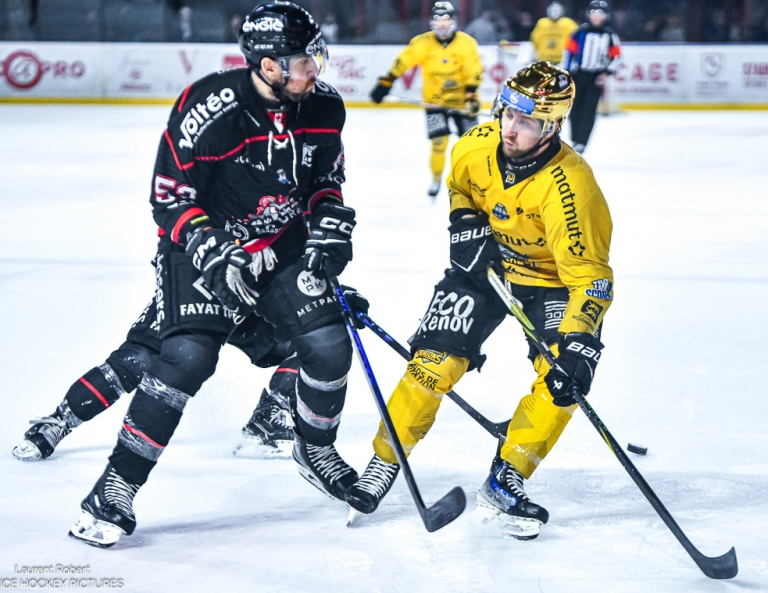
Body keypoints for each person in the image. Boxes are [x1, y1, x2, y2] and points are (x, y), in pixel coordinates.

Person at [65, 2, 361, 548]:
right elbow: (170, 198)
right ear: (268, 65)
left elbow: (324, 182)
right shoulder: (208, 107)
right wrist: (216, 251)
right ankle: (112, 490)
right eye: (302, 61)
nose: (313, 69)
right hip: (203, 246)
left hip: (279, 242)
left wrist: (329, 227)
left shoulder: (324, 107)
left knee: (328, 344)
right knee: (186, 359)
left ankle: (314, 447)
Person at [345, 62, 614, 541]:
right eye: (508, 113)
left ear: (551, 126)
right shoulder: (473, 144)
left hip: (552, 283)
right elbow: (461, 188)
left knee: (561, 379)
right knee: (431, 364)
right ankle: (385, 462)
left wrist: (579, 338)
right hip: (482, 271)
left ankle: (508, 474)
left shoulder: (573, 188)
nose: (510, 128)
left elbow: (589, 277)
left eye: (526, 122)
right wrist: (463, 221)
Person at [11, 284, 370, 462]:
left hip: (256, 299)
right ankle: (59, 421)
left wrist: (331, 296)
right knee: (136, 360)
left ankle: (267, 422)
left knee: (315, 340)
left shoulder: (280, 170)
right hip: (198, 290)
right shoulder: (222, 167)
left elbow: (300, 250)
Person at [368, 1, 483, 199]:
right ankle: (437, 178)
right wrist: (386, 82)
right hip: (434, 102)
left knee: (472, 144)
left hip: (462, 102)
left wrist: (471, 97)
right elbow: (404, 61)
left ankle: (473, 181)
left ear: (453, 21)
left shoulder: (466, 43)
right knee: (439, 142)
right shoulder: (423, 42)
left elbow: (473, 71)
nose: (442, 25)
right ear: (432, 22)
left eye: (446, 20)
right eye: (438, 20)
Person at [563, 0, 621, 154]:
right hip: (578, 75)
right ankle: (575, 139)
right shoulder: (579, 32)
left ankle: (582, 141)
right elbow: (569, 53)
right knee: (575, 109)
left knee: (589, 110)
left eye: (600, 14)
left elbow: (616, 57)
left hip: (596, 78)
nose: (597, 17)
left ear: (605, 16)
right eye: (594, 13)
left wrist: (606, 73)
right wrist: (568, 72)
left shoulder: (609, 35)